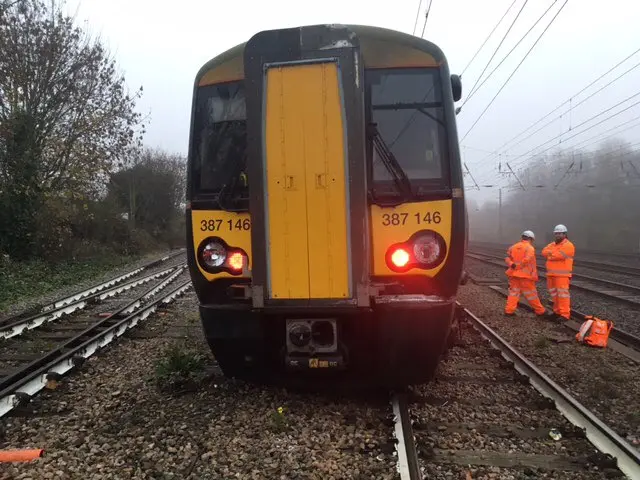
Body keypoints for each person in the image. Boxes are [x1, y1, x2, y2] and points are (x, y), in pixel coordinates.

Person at [504, 230, 546, 317]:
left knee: (513, 293)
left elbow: (507, 258)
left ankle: (509, 311)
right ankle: (540, 311)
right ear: (531, 239)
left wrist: (512, 265)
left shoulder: (513, 247)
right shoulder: (529, 248)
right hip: (526, 276)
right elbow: (527, 260)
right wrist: (519, 266)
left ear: (522, 237)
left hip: (514, 275)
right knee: (531, 295)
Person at [541, 224, 575, 320]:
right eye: (556, 234)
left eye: (560, 233)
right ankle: (557, 312)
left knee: (563, 295)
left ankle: (564, 314)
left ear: (565, 234)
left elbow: (558, 256)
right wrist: (552, 254)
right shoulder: (552, 244)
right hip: (551, 274)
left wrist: (550, 254)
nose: (558, 235)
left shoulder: (568, 245)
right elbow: (543, 252)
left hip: (562, 275)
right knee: (554, 295)